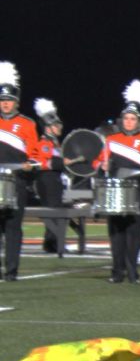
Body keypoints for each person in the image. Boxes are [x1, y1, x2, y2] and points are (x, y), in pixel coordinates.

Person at [94, 80, 140, 284]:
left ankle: (132, 272)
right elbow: (99, 161)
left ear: (139, 121)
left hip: (138, 191)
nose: (129, 122)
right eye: (126, 118)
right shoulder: (111, 140)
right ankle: (117, 271)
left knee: (135, 233)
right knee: (116, 232)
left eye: (132, 119)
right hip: (115, 191)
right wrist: (101, 166)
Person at [0, 61, 40, 281]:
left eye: (9, 100)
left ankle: (11, 270)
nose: (6, 104)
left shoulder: (27, 124)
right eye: (3, 100)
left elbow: (35, 156)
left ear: (16, 102)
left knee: (13, 227)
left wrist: (29, 166)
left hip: (17, 182)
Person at [33, 98, 69, 256]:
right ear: (48, 127)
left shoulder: (55, 143)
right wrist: (62, 162)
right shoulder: (45, 143)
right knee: (53, 212)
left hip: (54, 180)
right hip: (47, 181)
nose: (59, 127)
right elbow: (45, 163)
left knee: (57, 211)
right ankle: (52, 243)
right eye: (56, 125)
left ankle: (52, 242)